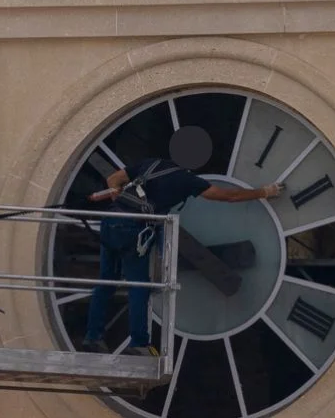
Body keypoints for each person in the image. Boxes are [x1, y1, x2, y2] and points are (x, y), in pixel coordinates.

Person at [81, 127, 284, 355]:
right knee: (139, 285)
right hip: (134, 229)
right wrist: (264, 192)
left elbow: (113, 179)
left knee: (106, 281)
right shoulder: (187, 181)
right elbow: (229, 196)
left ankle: (93, 337)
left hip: (112, 220)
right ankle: (138, 344)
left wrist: (118, 196)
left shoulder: (151, 164)